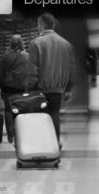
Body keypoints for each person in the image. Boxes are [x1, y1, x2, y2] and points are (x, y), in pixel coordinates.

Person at [29, 13, 76, 145]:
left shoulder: (36, 43)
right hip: (58, 89)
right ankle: (55, 144)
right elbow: (72, 68)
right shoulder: (66, 44)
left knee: (40, 117)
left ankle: (42, 145)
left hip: (40, 89)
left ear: (40, 24)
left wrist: (29, 88)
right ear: (53, 25)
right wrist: (68, 89)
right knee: (54, 114)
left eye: (38, 25)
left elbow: (33, 70)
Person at [0, 34, 36, 143]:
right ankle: (20, 133)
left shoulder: (5, 57)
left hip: (7, 89)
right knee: (20, 111)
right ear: (22, 44)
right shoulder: (27, 56)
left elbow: (0, 74)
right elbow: (32, 73)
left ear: (11, 44)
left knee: (8, 111)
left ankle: (10, 135)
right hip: (22, 89)